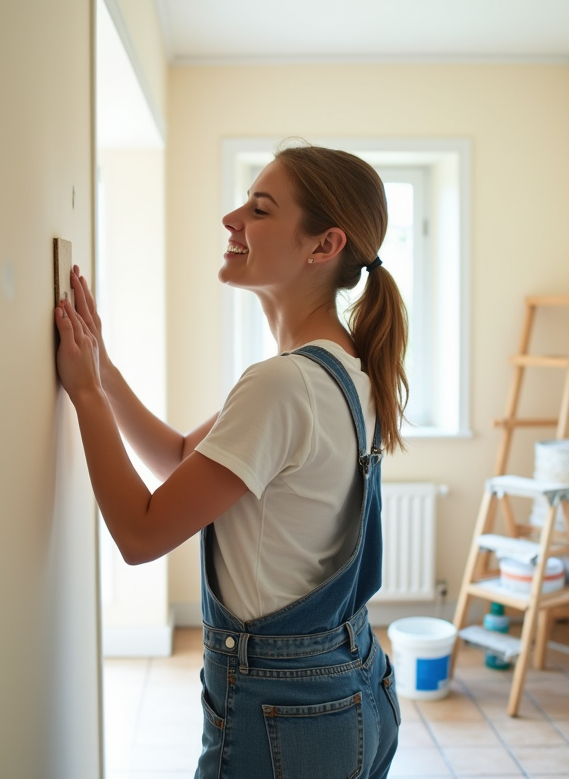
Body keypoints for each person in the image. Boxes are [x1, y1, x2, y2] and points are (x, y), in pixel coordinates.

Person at [55, 142, 409, 779]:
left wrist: (83, 393)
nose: (231, 219)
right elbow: (178, 459)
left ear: (323, 246)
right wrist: (101, 366)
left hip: (286, 712)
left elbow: (140, 533)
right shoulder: (347, 374)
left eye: (260, 209)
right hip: (354, 691)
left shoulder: (282, 385)